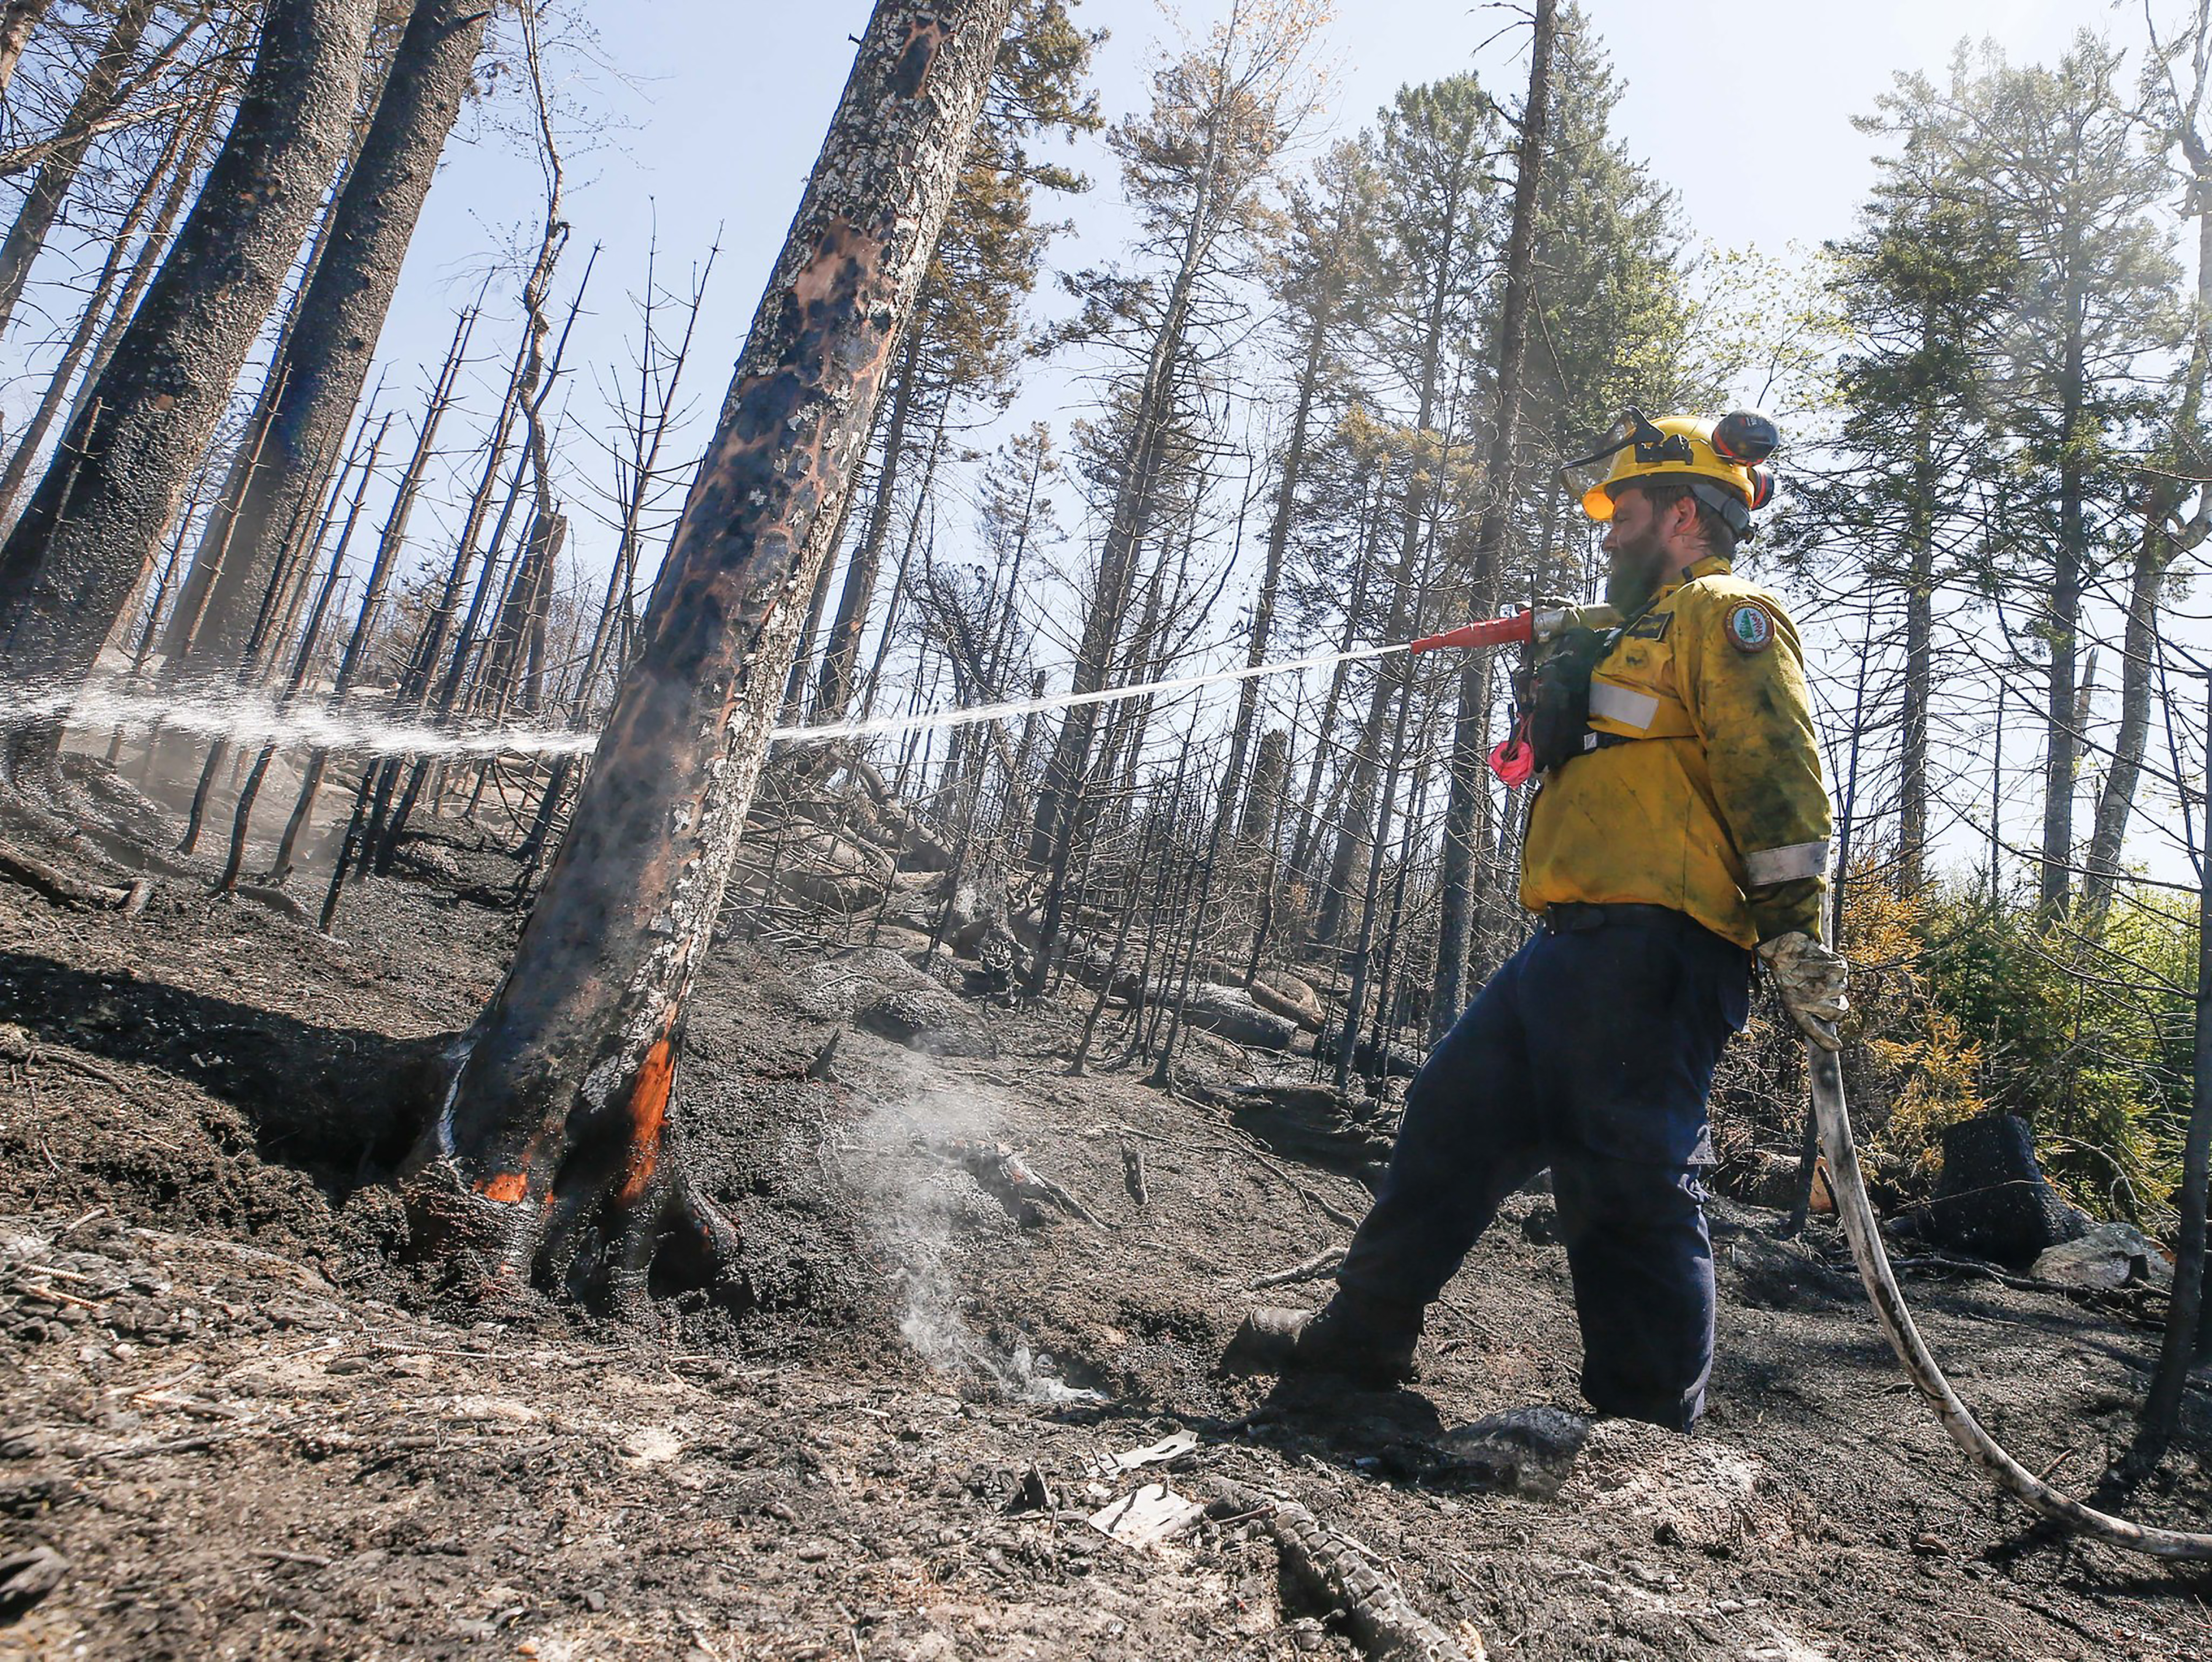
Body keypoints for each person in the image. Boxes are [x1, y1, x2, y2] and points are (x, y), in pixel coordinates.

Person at [1274, 412, 1849, 1433]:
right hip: (1572, 945)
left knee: (1626, 1184)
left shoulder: (1727, 614)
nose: (1608, 532)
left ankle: (1646, 1439)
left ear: (1684, 515)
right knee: (1449, 1124)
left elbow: (1778, 776)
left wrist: (1795, 932)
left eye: (1623, 512)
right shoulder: (1629, 630)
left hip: (1662, 946)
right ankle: (1354, 1349)